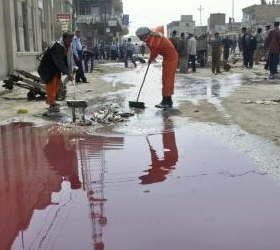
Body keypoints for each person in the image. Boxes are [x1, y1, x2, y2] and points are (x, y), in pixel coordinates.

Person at [136, 26, 178, 108]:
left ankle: (167, 102)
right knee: (165, 79)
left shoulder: (153, 41)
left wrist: (150, 60)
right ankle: (166, 100)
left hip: (171, 58)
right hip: (168, 57)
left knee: (167, 80)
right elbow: (160, 28)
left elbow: (154, 53)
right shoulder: (153, 36)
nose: (140, 39)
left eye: (140, 37)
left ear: (145, 35)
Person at [38, 31, 74, 113]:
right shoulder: (57, 46)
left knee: (57, 83)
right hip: (48, 68)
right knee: (51, 84)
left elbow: (66, 60)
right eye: (68, 41)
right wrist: (68, 73)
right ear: (64, 39)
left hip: (55, 68)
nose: (70, 43)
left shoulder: (67, 46)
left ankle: (51, 101)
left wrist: (70, 71)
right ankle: (51, 103)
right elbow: (59, 61)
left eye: (71, 41)